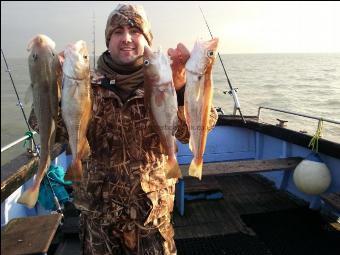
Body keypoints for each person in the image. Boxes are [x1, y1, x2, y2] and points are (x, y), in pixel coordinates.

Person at [29, 3, 218, 255]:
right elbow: (54, 132)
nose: (126, 38)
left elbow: (191, 132)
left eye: (135, 31)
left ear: (146, 38)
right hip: (99, 220)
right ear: (108, 39)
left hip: (152, 218)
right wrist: (52, 86)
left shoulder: (166, 77)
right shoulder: (86, 83)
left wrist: (183, 88)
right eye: (118, 31)